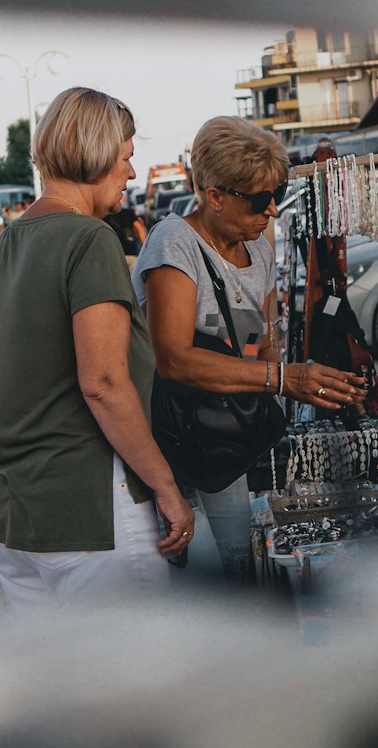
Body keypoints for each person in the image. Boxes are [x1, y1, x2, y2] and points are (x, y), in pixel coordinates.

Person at [0, 85, 192, 604]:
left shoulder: (2, 246)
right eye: (128, 157)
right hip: (89, 513)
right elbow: (105, 383)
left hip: (12, 518)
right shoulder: (89, 239)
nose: (132, 173)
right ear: (97, 151)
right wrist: (166, 487)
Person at [136, 114, 362, 579]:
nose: (273, 211)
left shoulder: (257, 247)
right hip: (178, 443)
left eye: (277, 197)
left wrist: (293, 381)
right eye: (262, 200)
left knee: (239, 561)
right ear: (214, 196)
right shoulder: (174, 244)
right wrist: (282, 378)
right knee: (199, 578)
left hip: (228, 437)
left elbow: (263, 335)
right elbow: (174, 359)